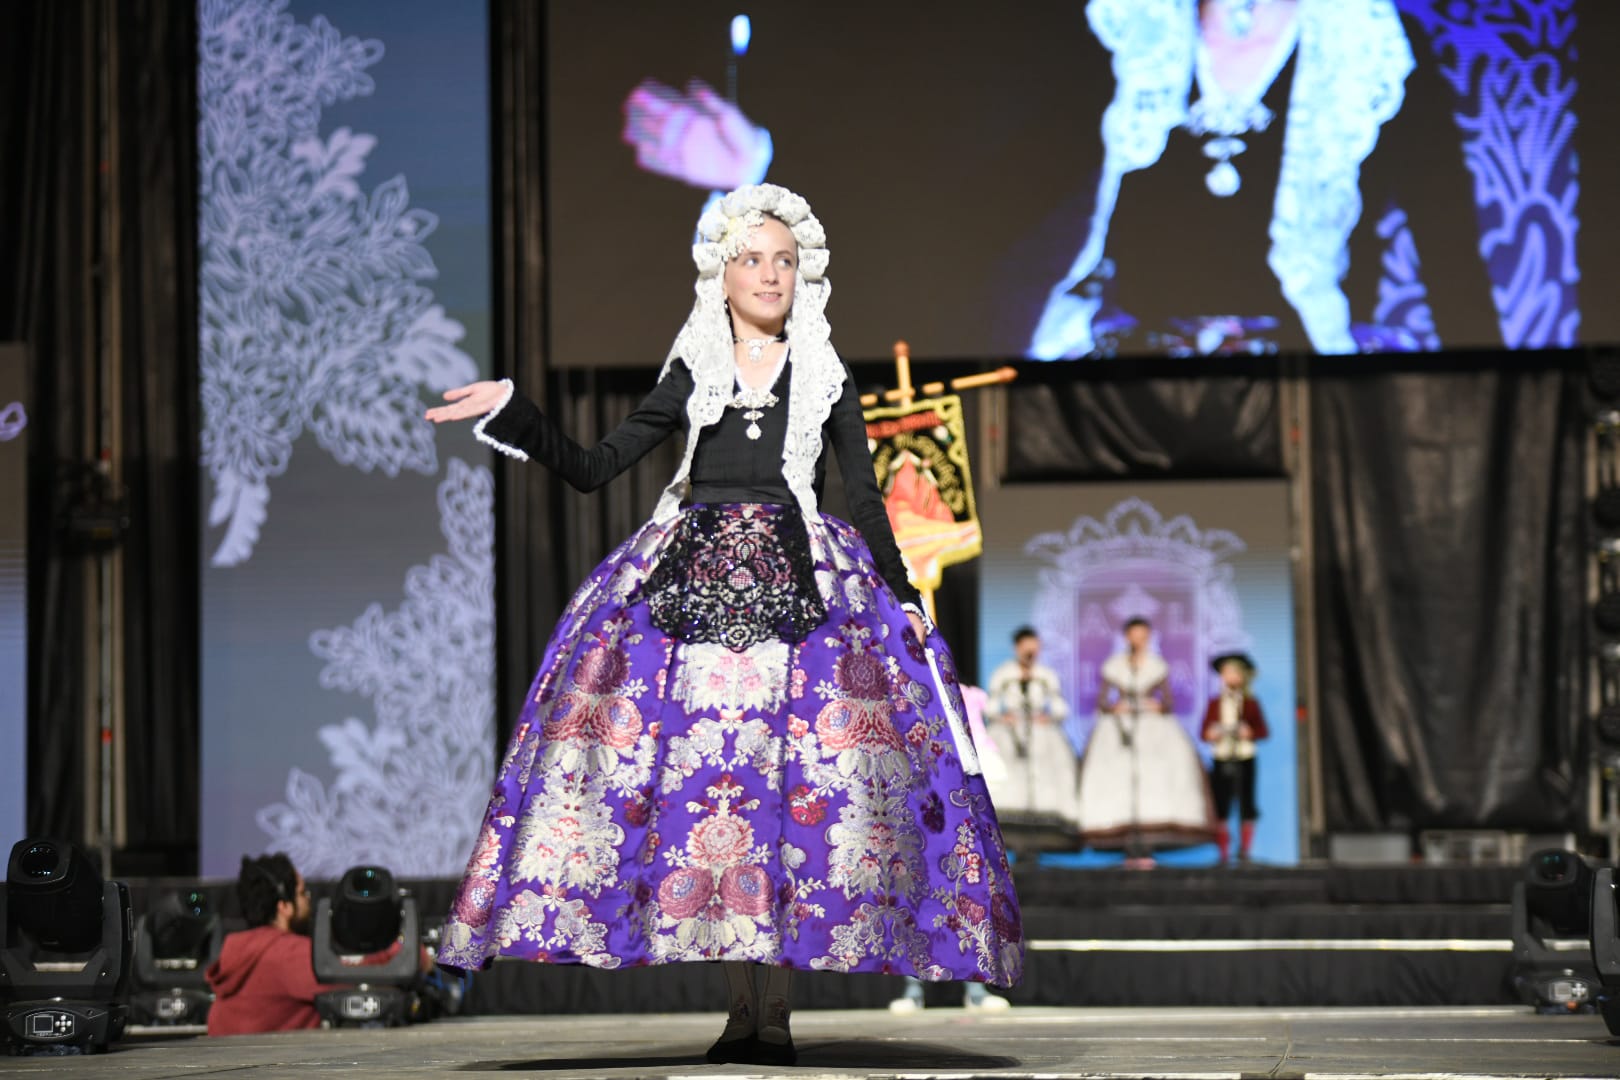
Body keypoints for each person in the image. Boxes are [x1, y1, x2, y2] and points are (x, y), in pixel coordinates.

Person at [427, 184, 1022, 1067]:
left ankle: (772, 1014)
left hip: (802, 591)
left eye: (785, 260)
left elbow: (863, 498)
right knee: (713, 797)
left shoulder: (824, 374)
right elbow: (597, 467)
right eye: (754, 258)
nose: (771, 273)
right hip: (689, 587)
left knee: (787, 798)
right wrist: (513, 408)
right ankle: (740, 1007)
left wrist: (900, 602)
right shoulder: (694, 367)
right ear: (722, 273)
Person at [1028, 0, 1498, 359]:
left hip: (1305, 379)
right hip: (1126, 387)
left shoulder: (1372, 48)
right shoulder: (1125, 32)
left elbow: (1448, 248)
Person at [205, 855, 425, 1036]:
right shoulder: (285, 953)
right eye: (302, 893)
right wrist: (413, 955)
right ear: (284, 907)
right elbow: (361, 976)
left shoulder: (239, 951)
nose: (308, 901)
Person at [1077, 618, 1214, 867]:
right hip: (1121, 727)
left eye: (1144, 635)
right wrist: (1115, 707)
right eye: (1134, 635)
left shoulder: (1156, 665)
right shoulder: (1115, 666)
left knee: (1153, 779)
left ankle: (1147, 844)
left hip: (1151, 726)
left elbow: (1169, 703)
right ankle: (1127, 842)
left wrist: (1156, 705)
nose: (1139, 640)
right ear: (1127, 637)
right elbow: (1103, 702)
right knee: (1119, 778)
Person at [984, 627, 1082, 838]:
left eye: (1035, 648)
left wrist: (1048, 716)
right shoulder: (1004, 673)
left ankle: (1044, 832)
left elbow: (1059, 707)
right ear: (1017, 648)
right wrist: (1003, 717)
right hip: (1010, 731)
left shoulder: (1046, 675)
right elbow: (991, 706)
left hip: (1039, 730)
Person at [1201, 652, 1269, 865]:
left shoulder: (1250, 703)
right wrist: (1213, 734)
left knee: (1246, 803)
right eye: (1225, 673)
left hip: (1244, 756)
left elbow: (1263, 731)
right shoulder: (1215, 703)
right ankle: (1222, 854)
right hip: (1222, 757)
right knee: (1221, 805)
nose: (1228, 677)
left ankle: (1245, 852)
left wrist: (1248, 732)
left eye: (1232, 673)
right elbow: (1203, 732)